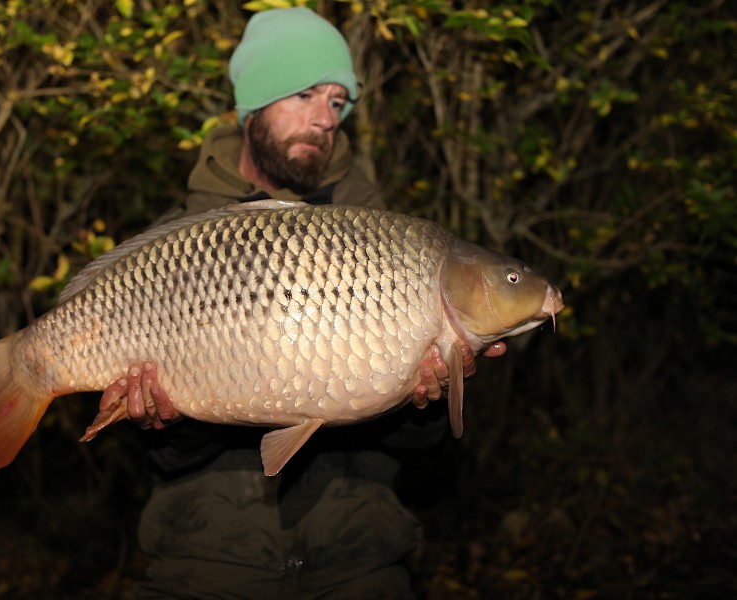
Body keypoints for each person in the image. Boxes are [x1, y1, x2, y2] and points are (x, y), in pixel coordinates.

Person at [90, 8, 505, 598]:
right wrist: (168, 420)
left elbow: (422, 448)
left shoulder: (390, 247)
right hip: (205, 567)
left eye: (338, 102)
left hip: (361, 566)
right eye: (306, 92)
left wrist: (425, 401)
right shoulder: (175, 245)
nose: (324, 118)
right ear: (253, 102)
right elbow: (170, 461)